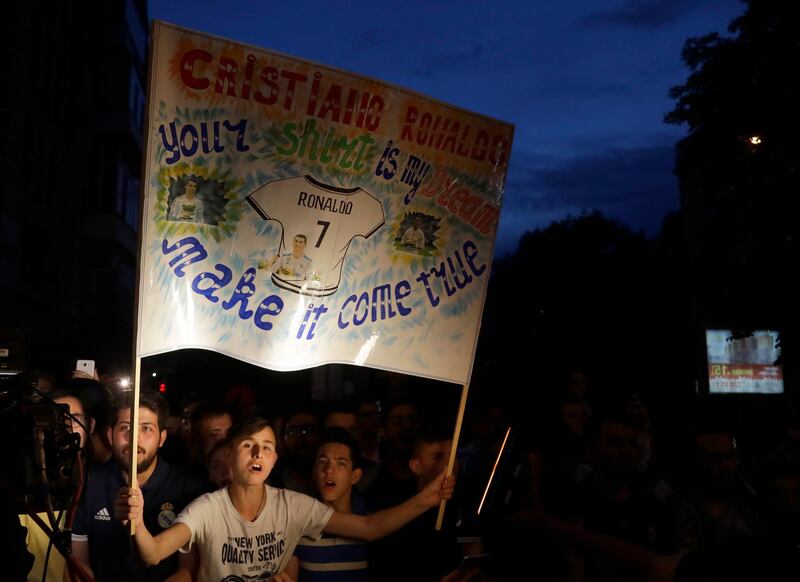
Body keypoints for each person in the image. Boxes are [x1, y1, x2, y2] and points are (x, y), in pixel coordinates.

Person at [114, 417, 454, 581]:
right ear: (230, 457)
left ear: (275, 459)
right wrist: (138, 521)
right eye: (249, 444)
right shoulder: (207, 508)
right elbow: (154, 553)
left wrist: (426, 499)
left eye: (268, 446)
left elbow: (370, 527)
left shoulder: (293, 506)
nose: (258, 452)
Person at [71, 390, 206, 581]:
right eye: (125, 427)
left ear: (162, 438)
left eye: (146, 428)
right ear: (110, 435)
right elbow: (79, 562)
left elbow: (188, 571)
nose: (134, 438)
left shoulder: (187, 487)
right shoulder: (88, 483)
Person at [19, 387, 94, 582]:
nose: (66, 426)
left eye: (74, 418)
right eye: (58, 420)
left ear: (90, 425)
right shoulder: (28, 485)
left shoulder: (100, 482)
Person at [286, 427, 369, 581]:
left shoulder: (372, 516)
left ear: (355, 476)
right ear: (313, 472)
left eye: (341, 463)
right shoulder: (298, 521)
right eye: (323, 461)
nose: (329, 470)